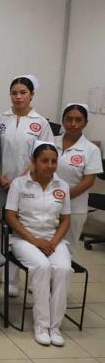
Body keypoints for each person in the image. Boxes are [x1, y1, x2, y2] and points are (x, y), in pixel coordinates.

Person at [5, 141, 72, 346]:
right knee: (42, 267)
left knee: (63, 269)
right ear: (33, 162)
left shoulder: (62, 186)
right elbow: (10, 216)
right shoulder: (19, 184)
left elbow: (66, 219)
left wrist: (53, 241)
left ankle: (55, 326)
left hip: (53, 239)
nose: (49, 165)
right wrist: (34, 240)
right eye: (44, 161)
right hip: (24, 239)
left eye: (53, 161)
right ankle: (42, 325)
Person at [0, 75, 53, 296]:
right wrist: (0, 176)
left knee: (20, 232)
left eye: (23, 93)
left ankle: (13, 280)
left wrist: (20, 179)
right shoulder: (1, 118)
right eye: (14, 93)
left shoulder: (41, 122)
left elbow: (43, 155)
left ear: (31, 95)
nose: (18, 97)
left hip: (27, 184)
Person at [54, 103, 102, 257]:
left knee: (67, 252)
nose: (73, 124)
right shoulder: (51, 142)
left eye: (78, 120)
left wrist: (63, 197)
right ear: (63, 121)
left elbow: (88, 181)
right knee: (46, 249)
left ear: (85, 123)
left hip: (74, 208)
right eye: (69, 119)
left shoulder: (91, 149)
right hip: (46, 205)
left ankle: (62, 281)